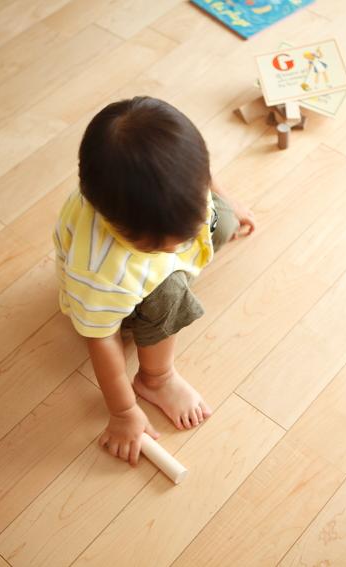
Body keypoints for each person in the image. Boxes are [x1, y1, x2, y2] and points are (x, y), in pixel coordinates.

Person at [53, 96, 256, 466]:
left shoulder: (172, 182)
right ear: (115, 224)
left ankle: (193, 226)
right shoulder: (100, 272)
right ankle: (156, 378)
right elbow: (100, 341)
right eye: (163, 244)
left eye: (191, 221)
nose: (181, 243)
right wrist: (123, 412)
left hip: (150, 241)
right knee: (170, 292)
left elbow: (201, 176)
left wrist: (223, 200)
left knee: (222, 220)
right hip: (120, 302)